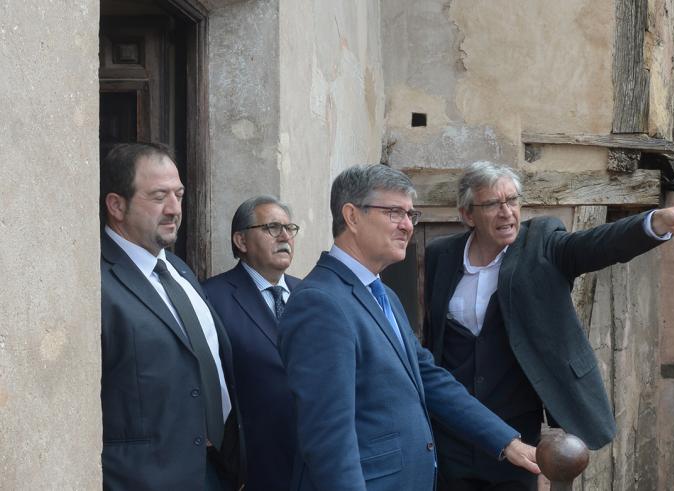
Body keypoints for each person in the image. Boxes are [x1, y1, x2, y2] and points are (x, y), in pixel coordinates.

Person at [423, 161, 674, 490]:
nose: (507, 212)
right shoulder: (441, 255)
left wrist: (655, 223)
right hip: (454, 428)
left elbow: (596, 245)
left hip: (519, 430)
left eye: (513, 200)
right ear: (467, 215)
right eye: (492, 204)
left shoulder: (542, 242)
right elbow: (435, 336)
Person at [278, 164, 541, 491]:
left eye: (410, 215)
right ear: (352, 216)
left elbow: (431, 380)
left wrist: (506, 442)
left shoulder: (383, 294)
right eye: (393, 212)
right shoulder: (320, 303)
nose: (406, 226)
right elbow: (328, 438)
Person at [99, 142, 242, 490]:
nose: (174, 209)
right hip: (144, 480)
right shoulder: (94, 281)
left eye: (178, 194)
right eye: (159, 196)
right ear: (117, 205)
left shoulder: (178, 269)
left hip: (215, 470)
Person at [203, 195, 301, 490]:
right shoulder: (210, 297)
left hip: (311, 459)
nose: (284, 236)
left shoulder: (309, 294)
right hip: (251, 466)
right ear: (241, 241)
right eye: (272, 227)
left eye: (289, 228)